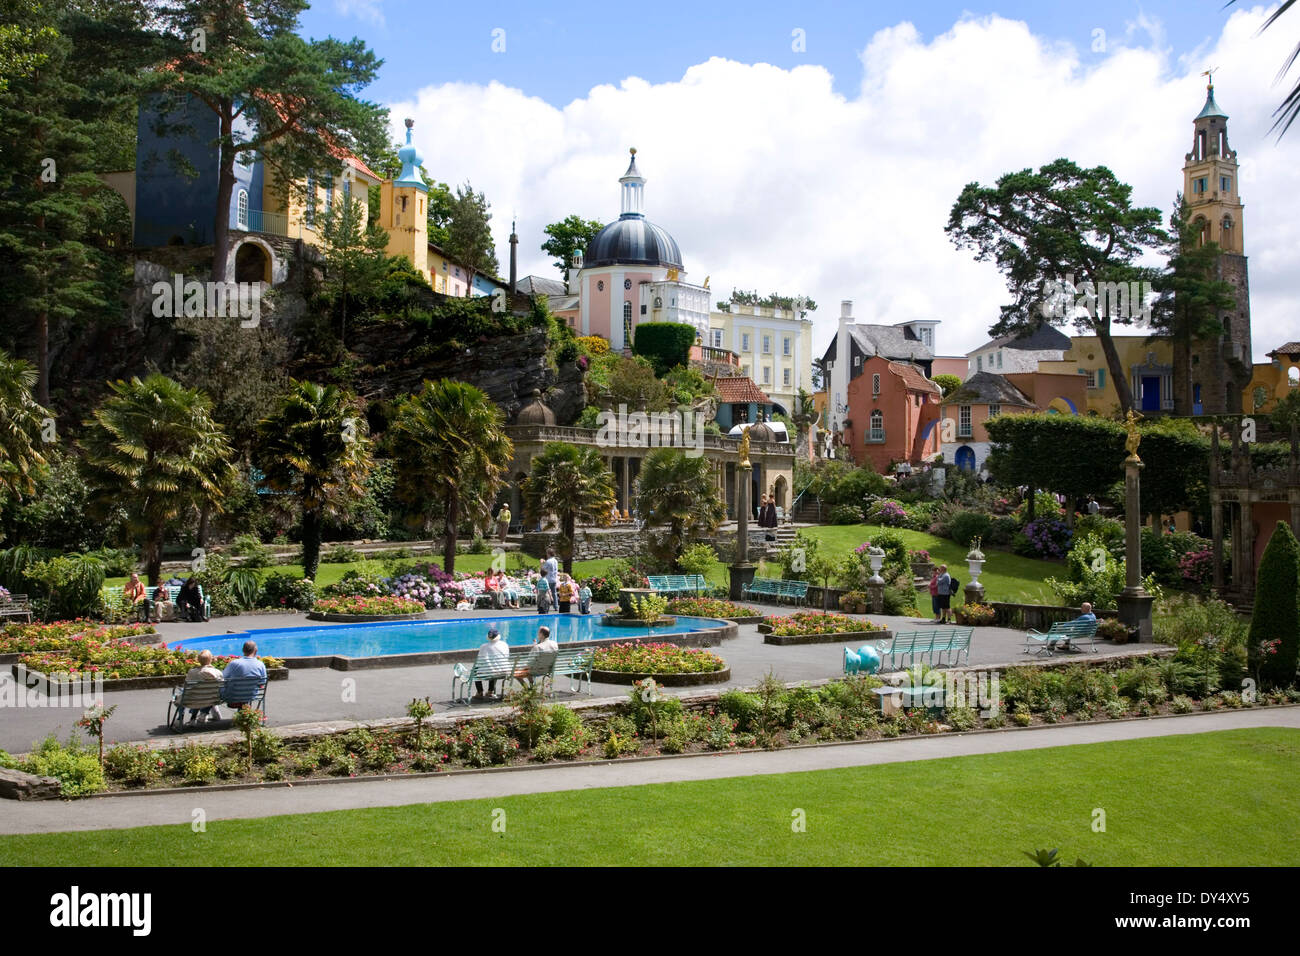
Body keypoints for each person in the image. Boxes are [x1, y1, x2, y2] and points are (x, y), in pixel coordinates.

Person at [221, 640, 267, 710]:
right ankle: (243, 714)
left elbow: (223, 678)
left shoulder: (234, 663)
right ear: (255, 651)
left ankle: (206, 712)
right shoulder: (260, 664)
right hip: (251, 695)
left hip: (232, 696)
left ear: (243, 650)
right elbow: (262, 682)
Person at [183, 649, 223, 724]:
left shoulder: (192, 672)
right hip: (211, 699)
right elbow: (221, 686)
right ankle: (204, 714)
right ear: (211, 660)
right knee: (207, 693)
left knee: (193, 694)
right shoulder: (217, 672)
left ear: (198, 660)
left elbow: (186, 686)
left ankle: (184, 718)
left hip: (194, 700)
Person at [473, 625, 511, 701]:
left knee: (475, 670)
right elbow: (507, 657)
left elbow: (479, 661)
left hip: (491, 672)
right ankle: (490, 691)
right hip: (505, 671)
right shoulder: (505, 645)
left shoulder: (484, 646)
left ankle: (480, 692)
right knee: (494, 667)